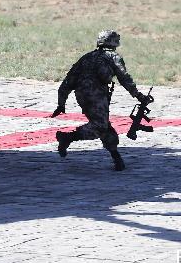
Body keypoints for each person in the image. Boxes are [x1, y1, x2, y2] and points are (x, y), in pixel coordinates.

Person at [51, 30, 148, 171]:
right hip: (95, 95)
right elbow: (124, 77)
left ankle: (116, 158)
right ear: (114, 43)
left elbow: (68, 81)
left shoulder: (86, 57)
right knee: (100, 126)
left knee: (104, 126)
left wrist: (61, 102)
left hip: (82, 95)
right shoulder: (113, 56)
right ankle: (67, 138)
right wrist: (138, 95)